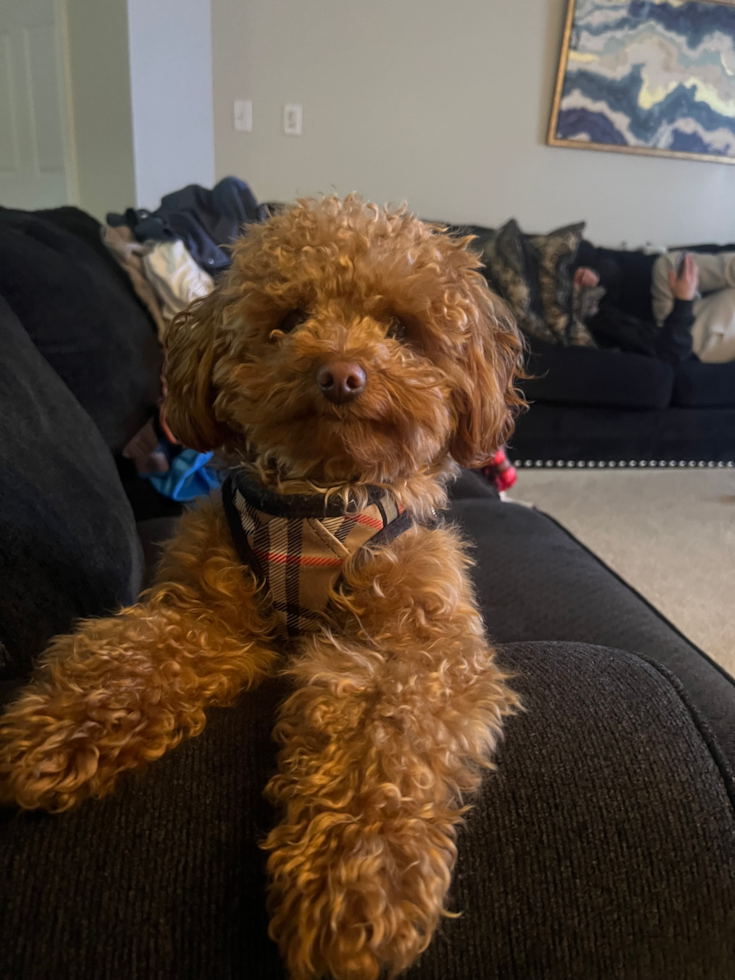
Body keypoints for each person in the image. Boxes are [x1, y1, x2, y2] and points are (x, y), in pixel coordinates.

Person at [574, 255, 699, 364]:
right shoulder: (591, 332)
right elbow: (666, 361)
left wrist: (595, 274)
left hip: (673, 342)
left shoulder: (602, 313)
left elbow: (613, 270)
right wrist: (683, 302)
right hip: (674, 349)